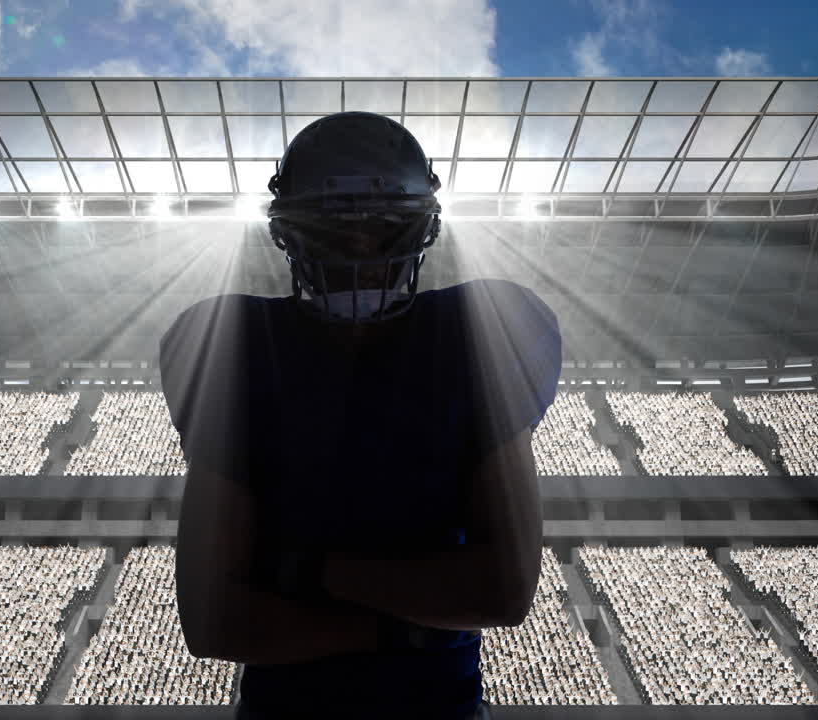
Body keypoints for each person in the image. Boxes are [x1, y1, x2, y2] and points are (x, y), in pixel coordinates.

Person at [161, 111, 563, 719]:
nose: (361, 255)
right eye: (332, 233)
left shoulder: (477, 334)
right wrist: (403, 629)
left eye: (383, 230)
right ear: (289, 236)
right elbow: (213, 622)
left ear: (420, 231)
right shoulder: (241, 345)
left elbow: (503, 589)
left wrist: (306, 572)